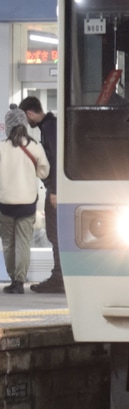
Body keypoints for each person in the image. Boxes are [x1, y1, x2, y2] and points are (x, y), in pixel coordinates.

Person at [0, 106, 49, 294]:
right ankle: (20, 282)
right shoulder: (34, 146)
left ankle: (13, 279)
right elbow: (44, 171)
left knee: (8, 243)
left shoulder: (2, 148)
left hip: (5, 203)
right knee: (23, 242)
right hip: (27, 203)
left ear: (8, 126)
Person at [18, 97, 61, 293]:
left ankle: (58, 278)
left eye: (26, 118)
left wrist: (54, 191)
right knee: (55, 234)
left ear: (29, 113)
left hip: (55, 191)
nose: (28, 123)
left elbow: (57, 159)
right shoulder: (50, 126)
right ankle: (59, 276)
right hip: (54, 189)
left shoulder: (50, 127)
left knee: (55, 234)